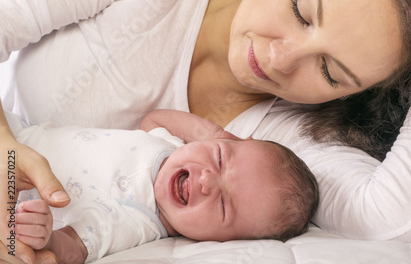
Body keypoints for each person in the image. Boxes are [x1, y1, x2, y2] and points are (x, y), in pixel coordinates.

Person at [0, 0, 411, 262]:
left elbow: (397, 221)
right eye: (302, 11)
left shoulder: (286, 136)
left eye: (329, 70)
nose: (281, 61)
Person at [7, 109, 318, 263]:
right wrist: (217, 133)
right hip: (11, 130)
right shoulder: (169, 145)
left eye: (225, 205)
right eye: (221, 158)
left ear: (219, 241)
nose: (208, 180)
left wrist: (44, 235)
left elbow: (74, 246)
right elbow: (153, 119)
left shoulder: (138, 220)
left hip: (11, 184)